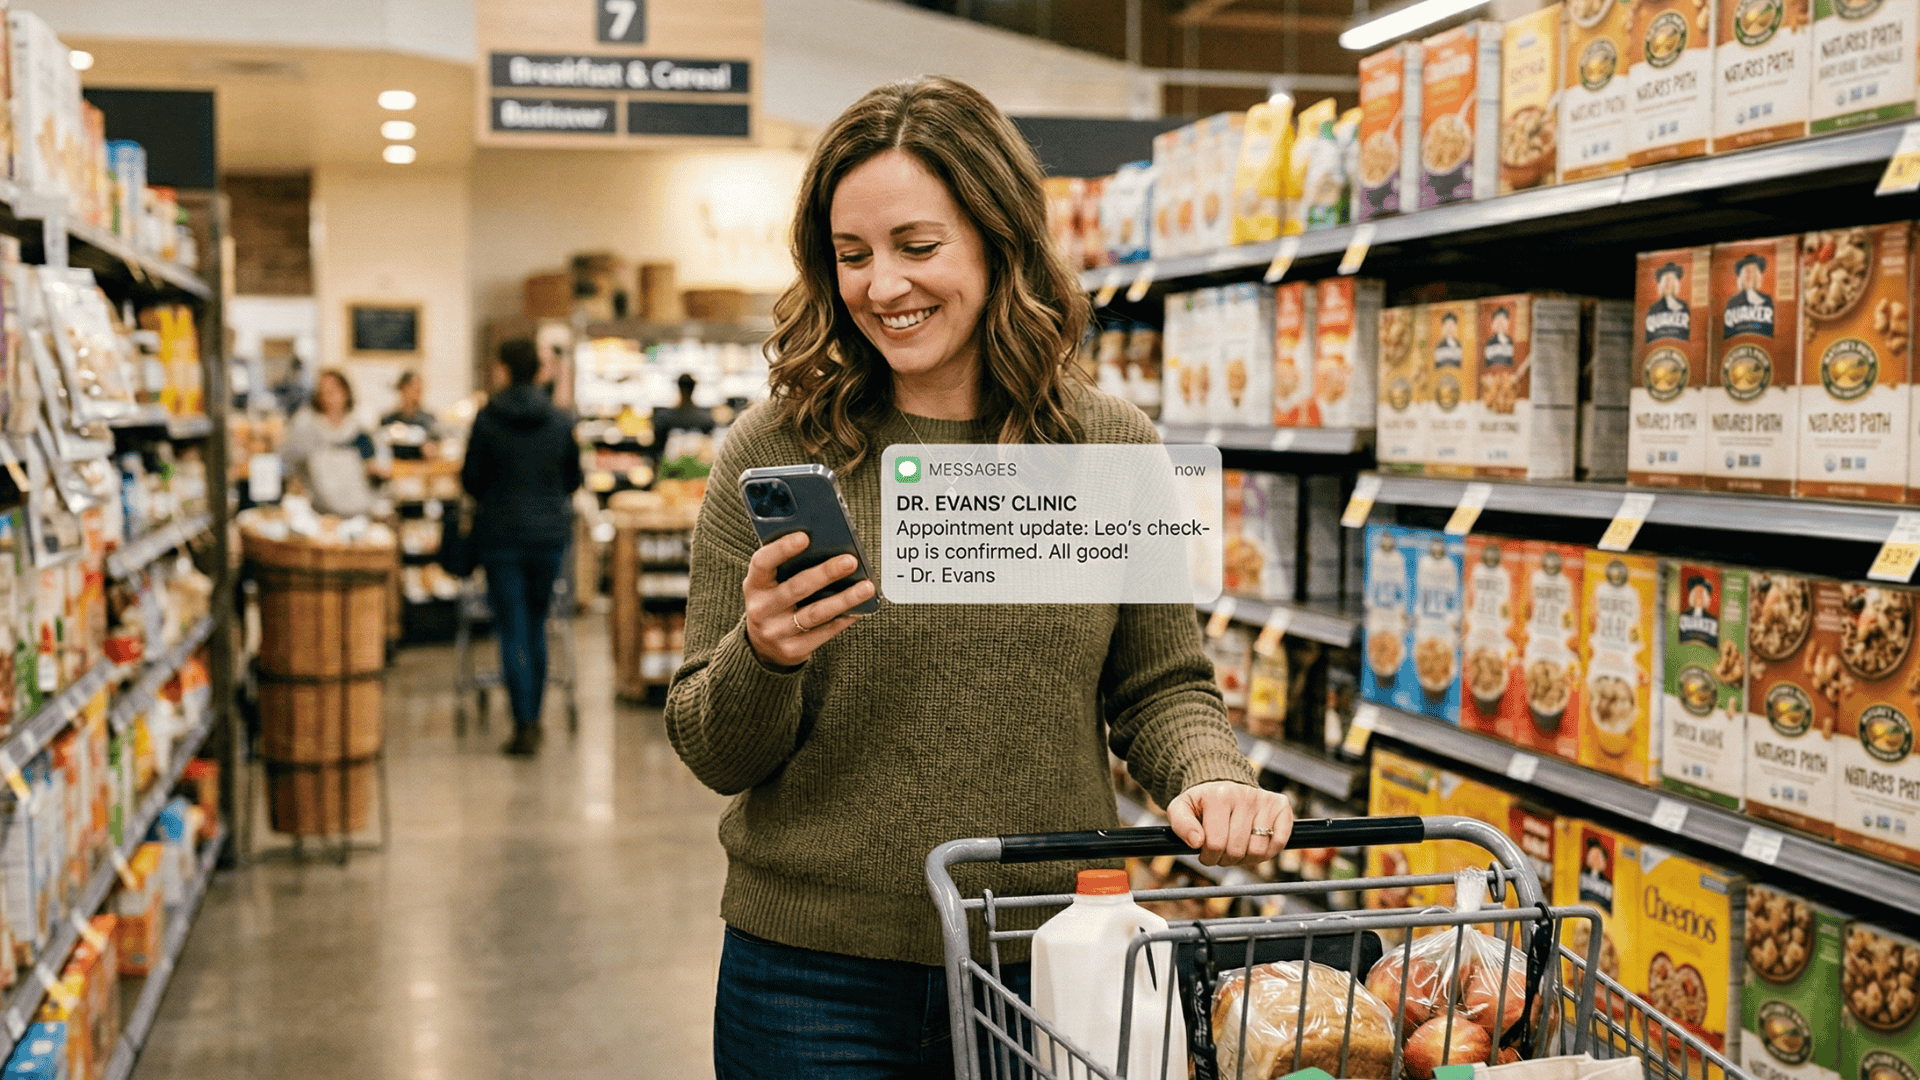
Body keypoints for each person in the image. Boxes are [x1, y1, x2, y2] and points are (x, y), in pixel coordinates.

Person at [665, 75, 1292, 1079]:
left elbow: (1160, 684)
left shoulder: (1107, 446)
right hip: (811, 978)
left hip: (1047, 964)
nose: (882, 287)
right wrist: (764, 655)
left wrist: (1212, 775)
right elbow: (711, 744)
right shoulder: (777, 451)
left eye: (918, 247)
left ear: (1001, 240)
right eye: (853, 255)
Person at [461, 339, 584, 757]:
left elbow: (471, 480)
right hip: (549, 536)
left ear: (504, 369)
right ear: (538, 370)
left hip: (500, 538)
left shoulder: (488, 417)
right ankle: (535, 716)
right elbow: (573, 479)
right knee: (537, 626)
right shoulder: (559, 419)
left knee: (511, 628)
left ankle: (524, 723)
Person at [281, 367, 389, 517]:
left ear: (345, 393)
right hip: (320, 508)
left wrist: (376, 470)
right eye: (323, 391)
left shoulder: (360, 428)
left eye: (333, 391)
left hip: (359, 507)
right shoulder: (305, 425)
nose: (327, 397)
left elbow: (377, 463)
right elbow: (291, 462)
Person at [381, 370, 441, 459]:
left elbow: (437, 443)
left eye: (419, 390)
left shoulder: (428, 419)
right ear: (402, 388)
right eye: (414, 388)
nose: (418, 393)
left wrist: (432, 448)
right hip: (396, 468)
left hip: (421, 468)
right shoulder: (388, 419)